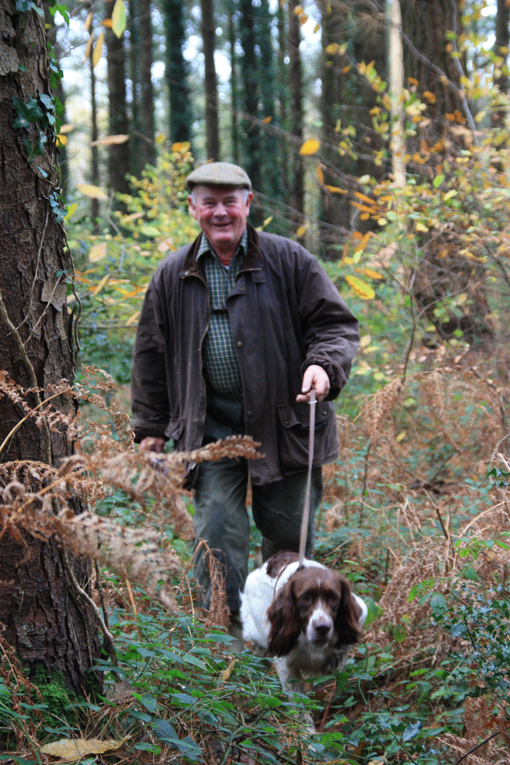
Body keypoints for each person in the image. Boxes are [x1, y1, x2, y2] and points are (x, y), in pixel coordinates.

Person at [131, 161, 359, 625]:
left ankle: (287, 636)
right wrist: (151, 426)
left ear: (247, 204)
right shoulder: (171, 274)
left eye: (229, 202)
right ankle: (228, 642)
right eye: (209, 202)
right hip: (211, 427)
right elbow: (152, 354)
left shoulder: (289, 260)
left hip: (285, 423)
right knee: (216, 534)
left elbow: (334, 325)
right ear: (193, 207)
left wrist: (322, 365)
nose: (220, 212)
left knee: (287, 541)